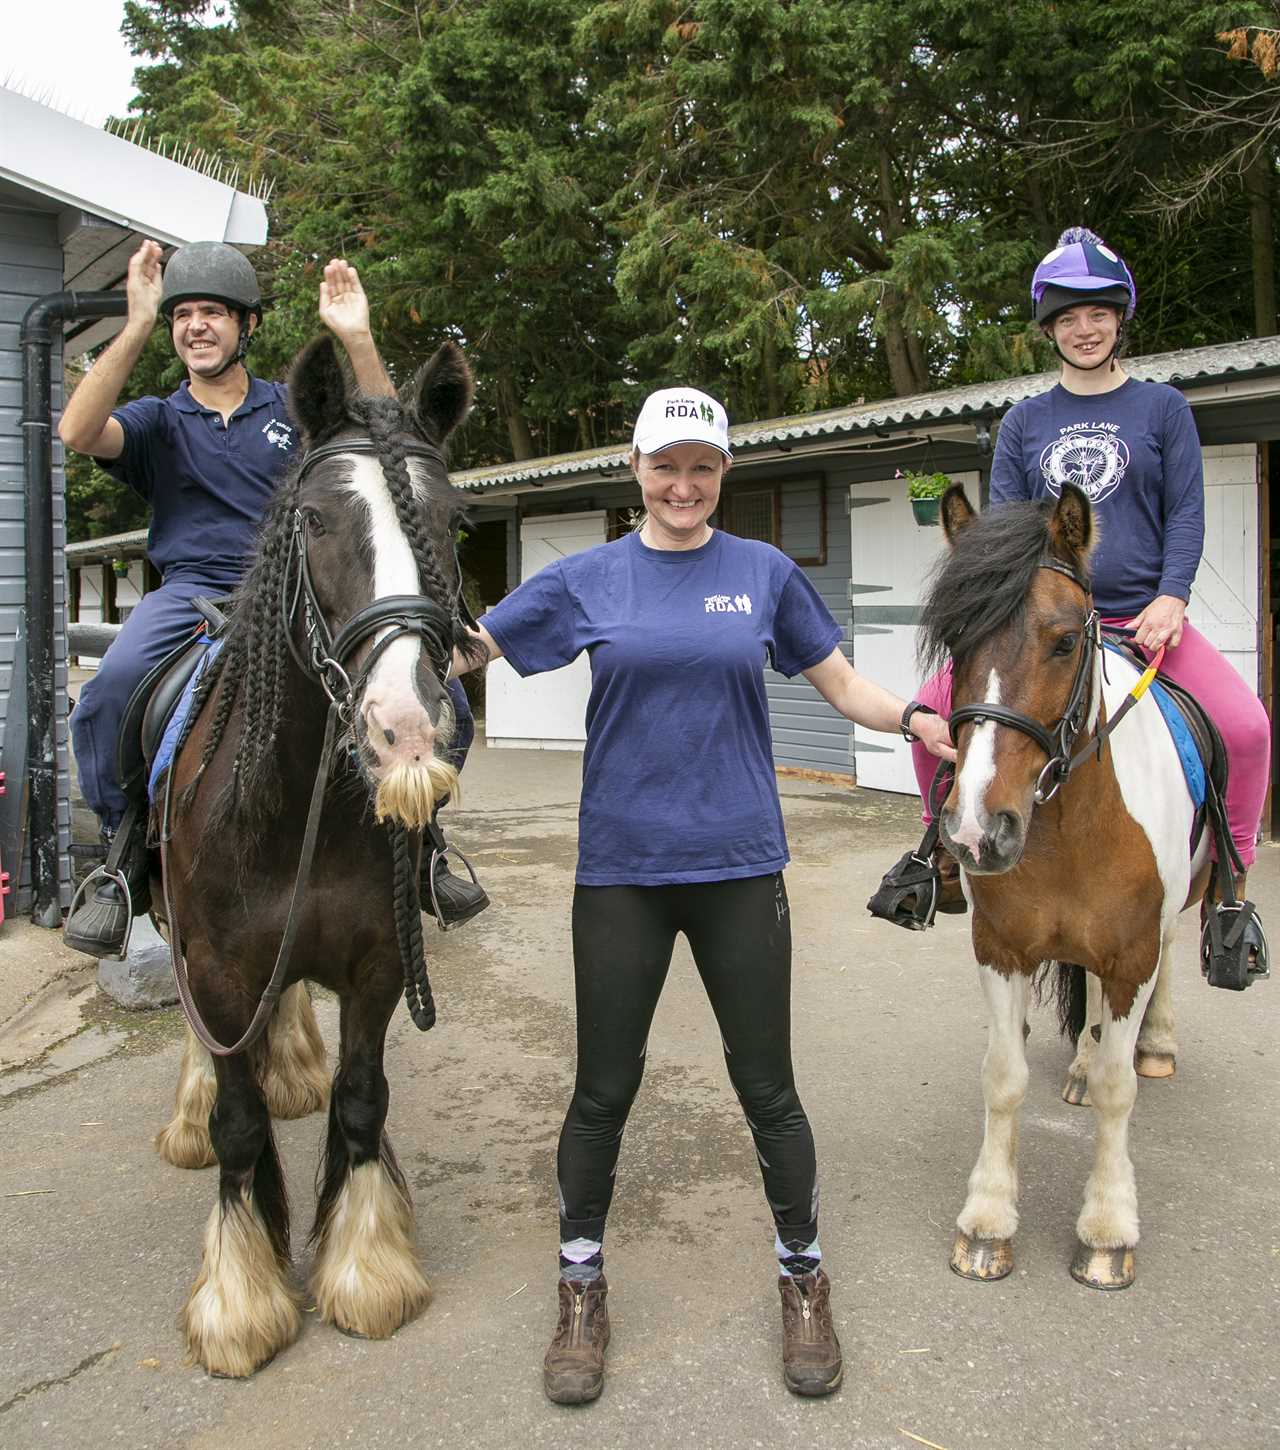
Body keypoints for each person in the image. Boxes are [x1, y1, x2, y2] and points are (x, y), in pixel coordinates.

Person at [451, 386, 954, 1404]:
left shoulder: (761, 575)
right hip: (620, 873)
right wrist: (383, 631)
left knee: (767, 1087)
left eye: (703, 467)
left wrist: (913, 717)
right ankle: (579, 1285)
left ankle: (802, 1277)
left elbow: (842, 685)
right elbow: (471, 647)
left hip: (737, 865)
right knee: (602, 1089)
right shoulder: (586, 578)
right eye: (665, 465)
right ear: (633, 469)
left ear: (723, 475)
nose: (682, 485)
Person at [60, 239, 487, 955]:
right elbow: (77, 432)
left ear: (246, 326)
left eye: (215, 314)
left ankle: (424, 843)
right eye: (183, 315)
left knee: (452, 704)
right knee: (109, 696)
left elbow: (391, 439)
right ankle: (123, 860)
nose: (197, 325)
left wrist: (357, 340)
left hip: (301, 590)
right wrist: (133, 324)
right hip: (194, 592)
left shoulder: (297, 412)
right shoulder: (158, 421)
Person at [889, 226, 1271, 914]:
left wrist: (1173, 597)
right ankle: (937, 853)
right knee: (931, 719)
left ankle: (1230, 881)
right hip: (1042, 628)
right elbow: (1003, 538)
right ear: (1050, 328)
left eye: (1098, 313)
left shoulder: (1164, 409)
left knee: (1247, 730)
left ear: (1120, 319)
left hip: (1143, 622)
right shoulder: (1024, 422)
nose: (1085, 329)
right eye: (1068, 317)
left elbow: (1185, 512)